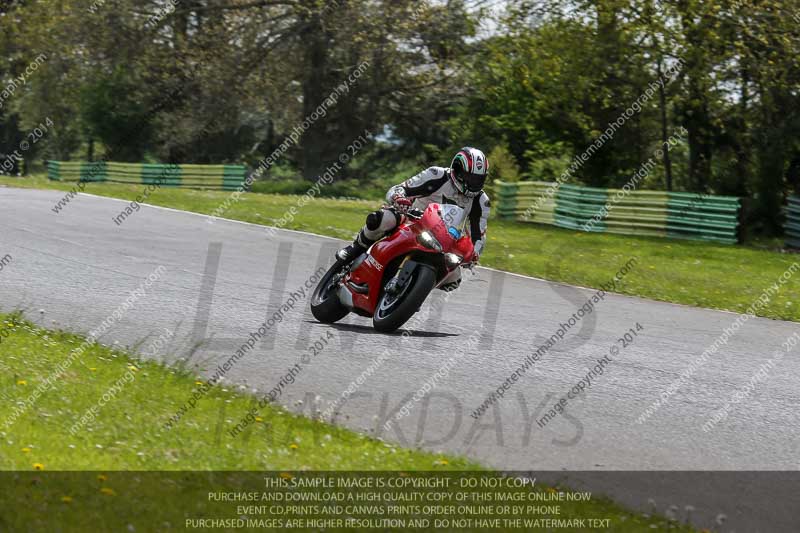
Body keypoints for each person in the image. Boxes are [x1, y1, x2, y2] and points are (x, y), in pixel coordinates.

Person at [336, 146, 491, 291]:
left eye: (478, 179)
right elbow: (400, 188)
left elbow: (478, 235)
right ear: (457, 170)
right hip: (412, 219)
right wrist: (399, 198)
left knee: (454, 279)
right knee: (383, 219)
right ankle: (356, 248)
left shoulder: (481, 202)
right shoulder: (437, 175)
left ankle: (412, 290)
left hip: (444, 241)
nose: (474, 183)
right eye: (470, 177)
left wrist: (473, 254)